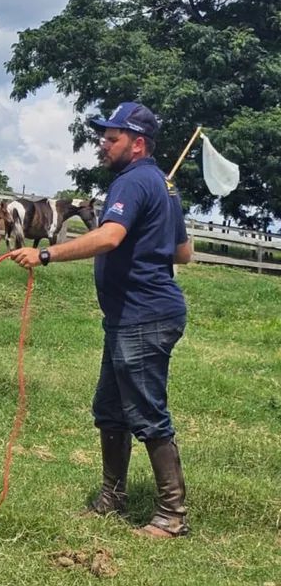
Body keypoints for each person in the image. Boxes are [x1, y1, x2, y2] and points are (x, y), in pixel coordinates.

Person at [10, 102, 193, 538]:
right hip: (131, 316)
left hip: (143, 316)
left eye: (112, 138)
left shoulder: (132, 182)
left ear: (138, 143)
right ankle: (113, 497)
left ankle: (171, 515)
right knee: (110, 410)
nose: (102, 144)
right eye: (103, 137)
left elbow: (110, 236)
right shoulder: (165, 187)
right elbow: (184, 252)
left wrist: (46, 252)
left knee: (147, 412)